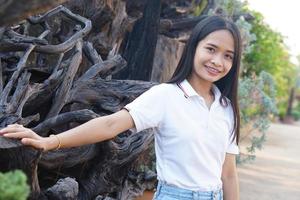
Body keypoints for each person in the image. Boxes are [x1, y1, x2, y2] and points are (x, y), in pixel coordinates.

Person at [0, 15, 241, 200]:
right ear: (194, 47)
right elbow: (111, 124)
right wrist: (49, 141)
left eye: (228, 55)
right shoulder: (167, 96)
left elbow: (228, 173)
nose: (217, 61)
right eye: (211, 49)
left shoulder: (226, 107)